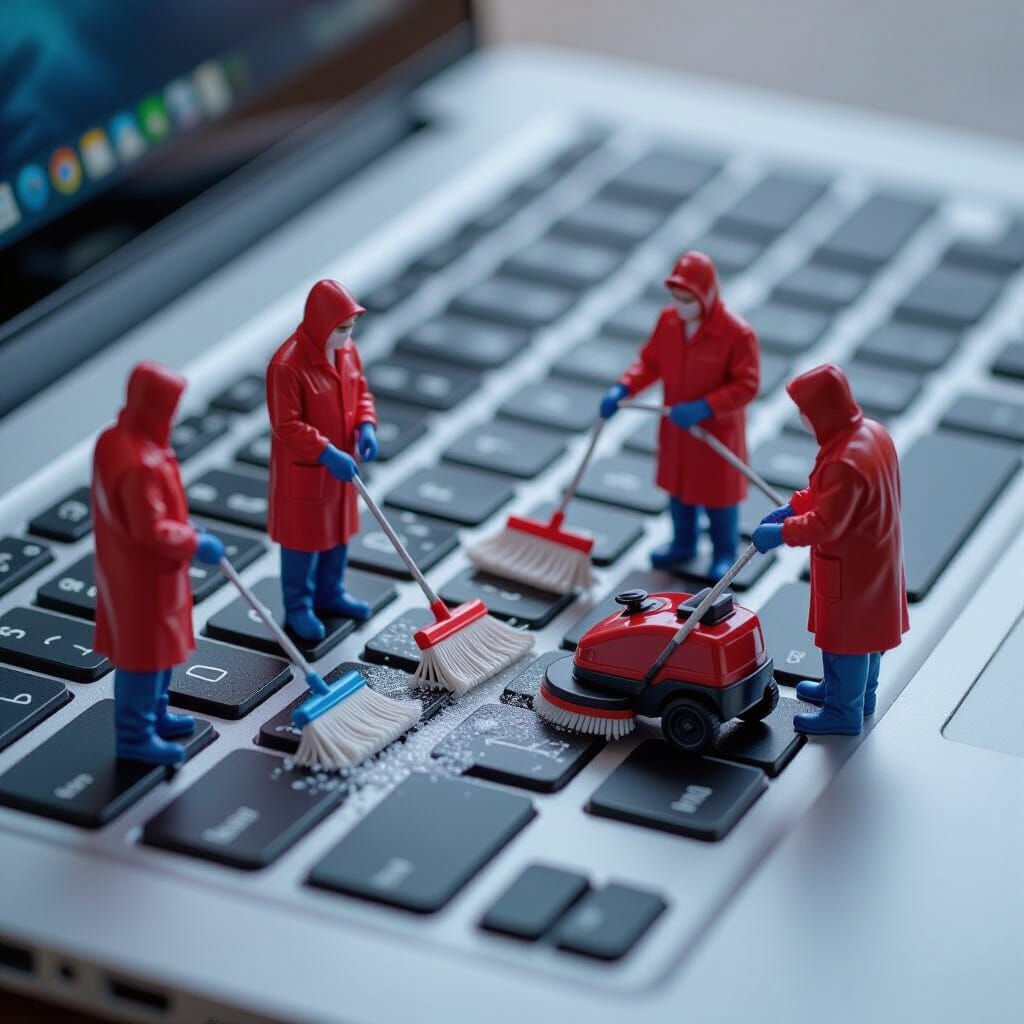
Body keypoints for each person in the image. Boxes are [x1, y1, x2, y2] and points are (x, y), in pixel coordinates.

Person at [752, 364, 909, 735]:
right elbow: (838, 499)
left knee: (848, 641)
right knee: (866, 637)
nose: (803, 419)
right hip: (876, 557)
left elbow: (827, 523)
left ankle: (844, 710)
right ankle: (855, 696)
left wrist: (782, 533)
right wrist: (795, 505)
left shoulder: (843, 460)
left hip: (851, 565)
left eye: (805, 412)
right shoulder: (872, 434)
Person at [92, 362, 224, 764]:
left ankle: (155, 714)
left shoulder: (118, 440)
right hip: (144, 579)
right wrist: (193, 540)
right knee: (143, 658)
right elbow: (150, 531)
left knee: (159, 653)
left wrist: (182, 522)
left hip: (144, 574)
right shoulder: (139, 464)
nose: (174, 413)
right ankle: (135, 736)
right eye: (170, 405)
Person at [600, 251, 760, 580]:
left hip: (715, 432)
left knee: (719, 500)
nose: (682, 304)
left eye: (689, 297)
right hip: (676, 431)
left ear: (708, 293)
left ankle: (724, 552)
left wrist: (705, 406)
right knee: (679, 492)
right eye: (677, 296)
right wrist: (624, 388)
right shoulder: (669, 322)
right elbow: (650, 363)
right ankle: (683, 543)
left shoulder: (736, 334)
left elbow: (747, 384)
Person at [267, 279, 378, 641]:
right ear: (321, 324)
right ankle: (298, 606)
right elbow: (286, 425)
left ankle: (331, 593)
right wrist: (326, 452)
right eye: (341, 328)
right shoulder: (287, 366)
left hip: (342, 471)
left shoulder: (348, 353)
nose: (347, 336)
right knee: (302, 544)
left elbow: (361, 392)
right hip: (308, 472)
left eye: (349, 329)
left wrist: (366, 425)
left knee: (338, 536)